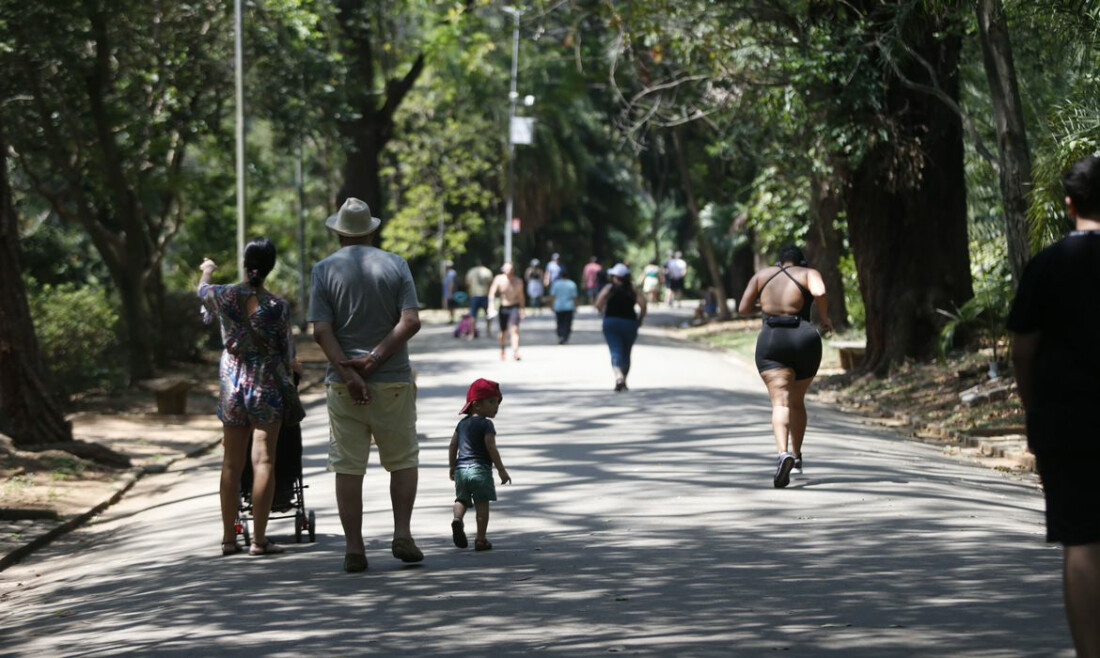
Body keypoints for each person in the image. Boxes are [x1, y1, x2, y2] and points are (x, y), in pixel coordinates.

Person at [1008, 155, 1100, 658]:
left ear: (1069, 204)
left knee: (1083, 539)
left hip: (1068, 422)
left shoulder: (1046, 265)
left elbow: (1023, 350)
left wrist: (1034, 410)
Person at [308, 197, 424, 573]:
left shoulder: (323, 270)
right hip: (392, 381)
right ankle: (402, 532)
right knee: (403, 459)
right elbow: (410, 322)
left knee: (348, 465)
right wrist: (374, 359)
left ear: (339, 232)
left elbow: (320, 330)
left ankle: (354, 548)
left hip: (343, 386)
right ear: (372, 231)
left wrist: (350, 373)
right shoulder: (396, 265)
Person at [198, 238, 304, 557]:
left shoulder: (224, 295)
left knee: (232, 462)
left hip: (232, 383)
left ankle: (229, 540)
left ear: (246, 263)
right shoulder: (278, 307)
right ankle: (259, 540)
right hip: (266, 385)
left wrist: (207, 269)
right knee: (264, 460)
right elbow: (287, 354)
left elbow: (201, 290)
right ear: (270, 267)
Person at [737, 245, 832, 489]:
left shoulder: (762, 276)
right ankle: (797, 457)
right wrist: (824, 318)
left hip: (772, 339)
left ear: (779, 261)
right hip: (804, 338)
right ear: (801, 260)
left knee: (780, 402)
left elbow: (743, 308)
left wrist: (765, 305)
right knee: (797, 401)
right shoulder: (809, 273)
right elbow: (819, 292)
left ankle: (783, 453)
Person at [448, 378, 511, 552]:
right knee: (482, 503)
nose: (495, 407)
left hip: (461, 470)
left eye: (497, 403)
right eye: (491, 402)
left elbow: (453, 445)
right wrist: (501, 470)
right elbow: (491, 447)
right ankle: (480, 539)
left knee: (461, 499)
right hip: (480, 470)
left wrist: (452, 466)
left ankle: (457, 519)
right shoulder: (486, 424)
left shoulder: (461, 424)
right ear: (476, 405)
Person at [595, 263, 647, 392]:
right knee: (626, 352)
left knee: (615, 350)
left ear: (615, 277)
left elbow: (598, 303)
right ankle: (624, 379)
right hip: (630, 323)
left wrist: (603, 313)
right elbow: (643, 305)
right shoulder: (633, 290)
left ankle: (618, 376)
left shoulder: (609, 289)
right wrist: (640, 319)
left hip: (611, 322)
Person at [487, 262, 526, 361]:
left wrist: (522, 309)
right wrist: (491, 306)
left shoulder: (518, 281)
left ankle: (515, 351)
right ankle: (502, 349)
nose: (508, 272)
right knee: (503, 332)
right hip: (503, 307)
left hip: (514, 306)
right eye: (506, 269)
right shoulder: (499, 279)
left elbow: (521, 296)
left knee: (515, 329)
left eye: (510, 269)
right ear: (503, 270)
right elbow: (492, 293)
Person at [549, 266, 579, 344]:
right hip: (569, 306)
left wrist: (551, 305)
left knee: (559, 322)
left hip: (558, 306)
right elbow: (574, 297)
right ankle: (565, 336)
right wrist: (576, 306)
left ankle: (560, 335)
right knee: (568, 323)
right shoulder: (572, 284)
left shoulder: (556, 284)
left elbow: (553, 296)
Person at [466, 259, 494, 338]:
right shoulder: (488, 271)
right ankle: (488, 331)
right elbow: (491, 284)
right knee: (488, 314)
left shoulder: (471, 271)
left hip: (474, 295)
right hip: (485, 295)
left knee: (473, 315)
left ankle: (472, 333)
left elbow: (468, 283)